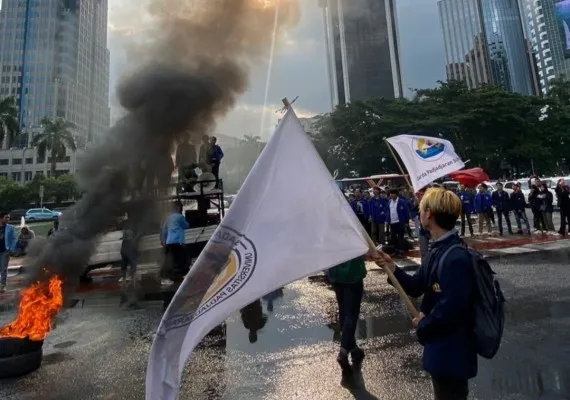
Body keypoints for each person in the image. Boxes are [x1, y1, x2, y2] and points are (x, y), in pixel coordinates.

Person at [376, 188, 477, 400]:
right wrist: (391, 267)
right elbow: (416, 285)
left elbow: (453, 308)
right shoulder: (437, 250)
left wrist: (425, 322)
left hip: (452, 354)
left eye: (421, 209)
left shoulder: (455, 256)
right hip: (440, 350)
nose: (419, 213)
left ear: (429, 214)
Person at [327, 255, 367, 377]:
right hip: (352, 272)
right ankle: (343, 351)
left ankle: (353, 348)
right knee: (351, 313)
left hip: (335, 270)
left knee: (344, 310)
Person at [161, 201, 190, 281]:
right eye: (181, 207)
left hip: (169, 242)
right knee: (182, 259)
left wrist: (164, 241)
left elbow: (164, 230)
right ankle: (179, 275)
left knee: (172, 259)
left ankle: (172, 276)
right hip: (178, 241)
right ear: (178, 208)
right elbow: (186, 226)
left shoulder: (168, 218)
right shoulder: (180, 217)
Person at [387, 188, 410, 256]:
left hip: (400, 222)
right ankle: (395, 251)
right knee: (393, 237)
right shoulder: (389, 202)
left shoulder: (402, 201)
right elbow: (388, 212)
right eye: (391, 193)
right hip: (392, 223)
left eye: (393, 193)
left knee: (400, 237)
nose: (391, 195)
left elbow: (406, 212)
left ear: (396, 194)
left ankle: (401, 251)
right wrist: (387, 221)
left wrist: (406, 222)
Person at [0, 212, 17, 293]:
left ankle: (3, 285)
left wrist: (11, 249)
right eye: (6, 217)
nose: (8, 219)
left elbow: (14, 239)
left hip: (5, 251)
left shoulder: (11, 227)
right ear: (1, 218)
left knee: (3, 269)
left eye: (9, 218)